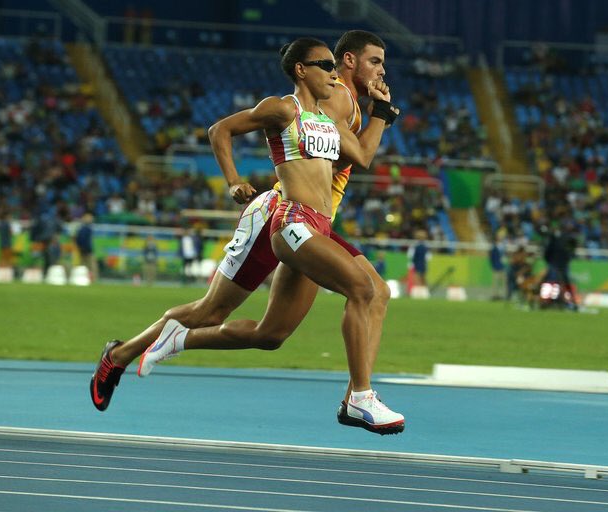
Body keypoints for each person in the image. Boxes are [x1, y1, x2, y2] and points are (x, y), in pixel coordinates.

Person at [90, 32, 403, 434]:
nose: (381, 69)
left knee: (272, 334)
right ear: (346, 61)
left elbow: (359, 156)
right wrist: (233, 179)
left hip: (315, 224)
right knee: (213, 310)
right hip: (282, 215)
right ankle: (119, 356)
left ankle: (174, 341)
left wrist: (382, 111)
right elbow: (229, 128)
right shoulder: (335, 96)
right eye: (374, 61)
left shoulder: (341, 108)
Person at [75, 213, 97, 281]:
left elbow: (78, 239)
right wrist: (85, 248)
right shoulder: (86, 229)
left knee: (83, 264)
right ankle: (92, 278)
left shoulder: (81, 228)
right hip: (87, 250)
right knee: (91, 265)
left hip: (83, 249)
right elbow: (83, 240)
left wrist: (79, 247)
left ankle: (83, 277)